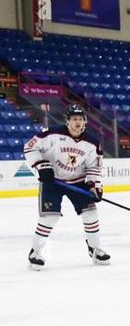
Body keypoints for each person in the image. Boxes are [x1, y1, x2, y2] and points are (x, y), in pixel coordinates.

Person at [24, 103, 108, 269]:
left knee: (91, 213)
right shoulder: (52, 133)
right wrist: (41, 166)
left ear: (85, 122)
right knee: (49, 217)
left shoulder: (92, 143)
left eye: (80, 119)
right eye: (74, 119)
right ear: (67, 121)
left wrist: (95, 186)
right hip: (53, 181)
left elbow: (94, 167)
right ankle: (35, 252)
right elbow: (29, 147)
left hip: (78, 181)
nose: (77, 122)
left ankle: (95, 249)